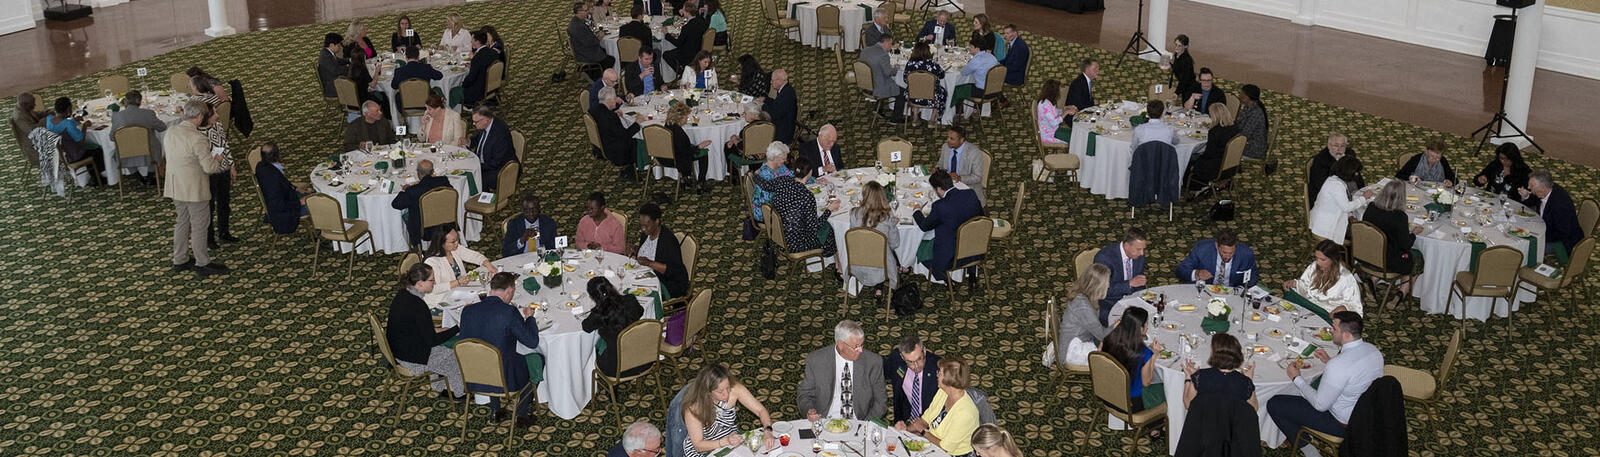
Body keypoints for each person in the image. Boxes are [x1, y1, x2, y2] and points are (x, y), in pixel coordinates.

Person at [1267, 311, 1383, 454]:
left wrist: (1296, 378)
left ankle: (1310, 451)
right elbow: (1355, 374)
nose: (1330, 331)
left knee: (1274, 403)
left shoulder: (1339, 365)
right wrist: (1330, 361)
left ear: (1346, 334)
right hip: (1367, 415)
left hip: (1342, 424)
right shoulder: (1374, 351)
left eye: (1334, 329)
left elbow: (1319, 405)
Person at [457, 272, 541, 428]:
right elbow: (532, 341)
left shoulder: (467, 311)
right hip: (505, 378)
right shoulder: (509, 312)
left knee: (488, 355)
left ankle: (495, 410)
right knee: (537, 359)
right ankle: (522, 415)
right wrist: (530, 318)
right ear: (509, 291)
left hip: (473, 373)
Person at [166, 100, 230, 277]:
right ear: (200, 116)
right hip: (194, 188)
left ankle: (179, 259)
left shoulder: (171, 131)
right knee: (199, 225)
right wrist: (216, 159)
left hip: (175, 185)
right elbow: (209, 168)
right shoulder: (197, 138)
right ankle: (202, 262)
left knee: (182, 222)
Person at [752, 157, 844, 276]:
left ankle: (836, 263)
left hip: (779, 234)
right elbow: (813, 228)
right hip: (796, 243)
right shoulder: (806, 196)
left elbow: (765, 185)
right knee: (830, 228)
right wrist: (829, 210)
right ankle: (839, 267)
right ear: (810, 173)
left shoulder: (782, 181)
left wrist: (755, 175)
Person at [386, 263, 465, 400]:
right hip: (411, 356)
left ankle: (439, 385)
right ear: (420, 283)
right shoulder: (418, 305)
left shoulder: (403, 294)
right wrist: (457, 328)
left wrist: (435, 329)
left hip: (397, 349)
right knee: (455, 353)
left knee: (444, 344)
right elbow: (432, 341)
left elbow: (412, 326)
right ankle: (458, 392)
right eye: (432, 280)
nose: (434, 283)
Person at [681, 364, 778, 457]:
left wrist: (768, 430)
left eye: (727, 388)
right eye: (720, 391)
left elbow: (760, 410)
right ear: (707, 391)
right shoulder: (694, 408)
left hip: (730, 438)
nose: (726, 394)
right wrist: (725, 442)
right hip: (704, 451)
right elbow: (698, 445)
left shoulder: (735, 389)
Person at [799, 320, 888, 421]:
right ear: (840, 344)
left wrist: (866, 425)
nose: (861, 350)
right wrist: (809, 411)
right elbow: (804, 394)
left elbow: (881, 401)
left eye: (862, 345)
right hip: (824, 420)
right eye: (856, 346)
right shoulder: (816, 360)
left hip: (859, 421)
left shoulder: (873, 362)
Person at [894, 356, 980, 457]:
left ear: (949, 379)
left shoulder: (965, 413)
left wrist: (923, 432)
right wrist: (904, 431)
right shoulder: (943, 393)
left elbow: (945, 447)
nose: (937, 375)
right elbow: (925, 420)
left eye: (940, 373)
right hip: (933, 443)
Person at [913, 169, 985, 283]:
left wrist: (917, 211)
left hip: (952, 257)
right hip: (975, 249)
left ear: (939, 189)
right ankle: (972, 273)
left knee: (920, 250)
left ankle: (945, 279)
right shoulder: (970, 193)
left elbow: (924, 226)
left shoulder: (939, 206)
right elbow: (981, 218)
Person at [1361, 180, 1422, 306]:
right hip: (1389, 260)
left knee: (1386, 251)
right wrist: (1414, 233)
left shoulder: (1371, 207)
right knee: (1417, 258)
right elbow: (1405, 245)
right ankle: (1401, 294)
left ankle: (1371, 280)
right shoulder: (1399, 217)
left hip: (1367, 253)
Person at [1100, 307, 1165, 412]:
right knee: (1165, 390)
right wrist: (1154, 355)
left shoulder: (1109, 339)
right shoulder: (1143, 352)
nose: (1147, 327)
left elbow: (1099, 355)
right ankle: (1155, 426)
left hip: (1107, 394)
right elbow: (1146, 382)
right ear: (1141, 328)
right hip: (1130, 404)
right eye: (1146, 324)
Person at [583, 277, 649, 377]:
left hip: (616, 367)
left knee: (591, 352)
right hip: (643, 358)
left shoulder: (599, 313)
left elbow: (586, 327)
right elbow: (640, 311)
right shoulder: (630, 299)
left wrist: (597, 308)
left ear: (593, 297)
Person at [423, 227, 500, 303]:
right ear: (442, 243)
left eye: (457, 239)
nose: (457, 243)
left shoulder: (454, 249)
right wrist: (457, 282)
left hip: (459, 292)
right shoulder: (432, 262)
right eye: (453, 242)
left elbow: (474, 256)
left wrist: (488, 265)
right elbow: (434, 288)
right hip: (441, 300)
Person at [1180, 333, 1257, 409]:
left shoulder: (1200, 377)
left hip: (1205, 421)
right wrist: (1249, 379)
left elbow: (1188, 404)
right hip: (1232, 421)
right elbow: (1253, 410)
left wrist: (1189, 378)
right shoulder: (1244, 382)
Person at [1284, 240, 1362, 315]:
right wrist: (1295, 283)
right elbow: (1306, 286)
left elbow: (1355, 307)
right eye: (1316, 258)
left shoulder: (1346, 278)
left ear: (1333, 259)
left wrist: (1344, 308)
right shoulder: (1314, 267)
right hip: (1309, 305)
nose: (1318, 262)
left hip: (1327, 313)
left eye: (1322, 259)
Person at [1519, 169, 1583, 258]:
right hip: (1547, 228)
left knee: (1528, 248)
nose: (1529, 187)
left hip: (1562, 242)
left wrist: (1536, 236)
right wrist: (1526, 196)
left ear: (1542, 187)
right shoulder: (1545, 191)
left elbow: (1562, 233)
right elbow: (1535, 200)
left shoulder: (1560, 205)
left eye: (1532, 185)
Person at [849, 181, 901, 292]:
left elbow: (855, 238)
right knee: (886, 250)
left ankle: (878, 288)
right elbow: (895, 244)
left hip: (857, 264)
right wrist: (892, 226)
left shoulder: (854, 214)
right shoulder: (887, 217)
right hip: (881, 268)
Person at [1309, 156, 1372, 244]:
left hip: (1325, 220)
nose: (1357, 174)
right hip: (1325, 228)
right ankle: (1352, 256)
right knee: (1361, 235)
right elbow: (1346, 207)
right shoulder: (1336, 186)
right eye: (1356, 172)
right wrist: (1364, 198)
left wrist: (1350, 216)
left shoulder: (1335, 180)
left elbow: (1342, 203)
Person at [198, 104, 237, 248]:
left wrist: (231, 166)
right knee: (209, 207)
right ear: (206, 117)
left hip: (224, 170)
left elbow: (225, 145)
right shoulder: (196, 135)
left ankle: (224, 231)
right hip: (208, 175)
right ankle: (209, 239)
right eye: (214, 113)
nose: (217, 115)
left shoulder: (217, 126)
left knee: (224, 202)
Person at [1057, 264, 1111, 367]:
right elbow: (1102, 335)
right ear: (1097, 286)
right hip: (1072, 351)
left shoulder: (1084, 296)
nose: (1108, 285)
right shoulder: (1083, 307)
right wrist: (1119, 323)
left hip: (1077, 340)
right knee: (1115, 357)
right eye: (1107, 283)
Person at [633, 203, 690, 299]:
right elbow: (648, 251)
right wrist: (635, 250)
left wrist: (649, 263)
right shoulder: (646, 233)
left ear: (657, 222)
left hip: (667, 283)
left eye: (646, 226)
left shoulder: (668, 241)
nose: (643, 229)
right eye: (641, 225)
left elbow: (674, 271)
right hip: (646, 276)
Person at [390, 159, 452, 248]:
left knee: (407, 215)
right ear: (433, 171)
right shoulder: (444, 181)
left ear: (418, 173)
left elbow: (396, 204)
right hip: (446, 222)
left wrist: (405, 190)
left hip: (425, 228)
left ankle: (417, 249)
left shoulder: (413, 191)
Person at [1092, 227, 1148, 325]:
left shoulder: (1139, 257)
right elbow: (1101, 291)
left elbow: (1139, 284)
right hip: (1109, 304)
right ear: (1126, 245)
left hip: (1132, 302)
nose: (1142, 253)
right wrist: (1129, 284)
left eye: (1143, 249)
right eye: (1139, 249)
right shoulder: (1104, 259)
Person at [110, 90, 168, 182]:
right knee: (156, 143)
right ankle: (151, 173)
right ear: (140, 101)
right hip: (149, 151)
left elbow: (112, 137)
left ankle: (136, 175)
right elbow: (162, 128)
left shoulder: (117, 116)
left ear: (125, 101)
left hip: (125, 152)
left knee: (114, 152)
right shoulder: (148, 114)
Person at [43, 97, 103, 185]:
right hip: (73, 155)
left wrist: (74, 120)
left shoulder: (49, 119)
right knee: (98, 150)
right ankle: (98, 178)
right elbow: (81, 141)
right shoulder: (68, 124)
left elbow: (60, 124)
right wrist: (85, 126)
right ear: (68, 109)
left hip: (60, 154)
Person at [254, 142, 310, 234]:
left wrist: (295, 188)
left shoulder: (261, 166)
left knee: (312, 194)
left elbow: (283, 184)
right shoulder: (273, 177)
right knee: (320, 204)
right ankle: (319, 233)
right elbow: (278, 204)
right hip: (284, 214)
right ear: (277, 155)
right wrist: (300, 202)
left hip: (286, 199)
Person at [1174, 228, 1259, 288]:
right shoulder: (1202, 250)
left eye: (1231, 253)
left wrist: (1240, 291)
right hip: (1205, 290)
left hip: (1232, 294)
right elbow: (1180, 270)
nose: (1228, 256)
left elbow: (1252, 278)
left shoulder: (1246, 254)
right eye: (1224, 252)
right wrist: (1196, 273)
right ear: (1216, 246)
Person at [592, 87, 646, 180]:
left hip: (600, 145)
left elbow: (608, 125)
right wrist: (637, 123)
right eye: (614, 98)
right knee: (639, 141)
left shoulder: (594, 110)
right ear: (608, 100)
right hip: (615, 151)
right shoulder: (611, 118)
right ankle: (632, 171)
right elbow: (625, 136)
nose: (616, 100)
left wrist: (613, 113)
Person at [884, 335, 940, 423]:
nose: (916, 366)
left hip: (932, 420)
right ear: (902, 357)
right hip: (906, 418)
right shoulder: (896, 360)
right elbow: (880, 374)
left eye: (919, 359)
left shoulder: (938, 368)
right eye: (910, 362)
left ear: (924, 351)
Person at [1184, 102, 1238, 192]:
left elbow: (1209, 154)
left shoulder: (1215, 132)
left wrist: (1199, 154)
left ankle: (1194, 187)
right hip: (1232, 165)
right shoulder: (1235, 128)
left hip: (1216, 167)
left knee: (1189, 160)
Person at [662, 103, 713, 190]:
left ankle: (684, 178)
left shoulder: (667, 125)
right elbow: (684, 152)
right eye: (686, 117)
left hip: (662, 156)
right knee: (704, 153)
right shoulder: (678, 132)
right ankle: (701, 182)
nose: (687, 119)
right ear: (680, 118)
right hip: (676, 159)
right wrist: (699, 146)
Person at [860, 34, 906, 123]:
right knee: (903, 92)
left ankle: (879, 109)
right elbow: (888, 73)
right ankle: (896, 118)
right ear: (885, 43)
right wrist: (896, 68)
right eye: (890, 44)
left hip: (865, 85)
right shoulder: (883, 55)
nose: (891, 46)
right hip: (877, 87)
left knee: (880, 77)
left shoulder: (865, 50)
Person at [469, 106, 515, 192]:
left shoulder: (500, 135)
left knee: (476, 177)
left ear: (485, 120)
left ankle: (484, 201)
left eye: (475, 122)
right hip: (487, 163)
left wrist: (477, 167)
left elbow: (496, 163)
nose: (473, 124)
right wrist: (468, 142)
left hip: (501, 169)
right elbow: (479, 138)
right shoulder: (485, 125)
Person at [936, 126, 986, 204]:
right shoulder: (945, 147)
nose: (947, 140)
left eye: (952, 139)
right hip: (947, 187)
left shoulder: (974, 153)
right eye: (948, 137)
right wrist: (936, 169)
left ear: (961, 140)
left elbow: (977, 177)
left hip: (967, 190)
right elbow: (940, 164)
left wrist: (960, 178)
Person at [1307, 132, 1359, 206]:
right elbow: (1321, 185)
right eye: (1336, 145)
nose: (1339, 149)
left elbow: (1357, 175)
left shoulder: (1350, 154)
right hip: (1327, 198)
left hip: (1350, 191)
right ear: (1329, 145)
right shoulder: (1320, 159)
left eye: (1342, 146)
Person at [569, 2, 614, 81]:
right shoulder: (579, 26)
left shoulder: (576, 21)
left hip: (581, 49)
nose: (587, 12)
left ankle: (593, 72)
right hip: (585, 53)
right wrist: (598, 38)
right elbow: (588, 43)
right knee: (610, 59)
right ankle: (596, 78)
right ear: (579, 12)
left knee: (604, 51)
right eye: (586, 11)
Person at [957, 35, 999, 117]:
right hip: (996, 90)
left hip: (983, 93)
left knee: (957, 89)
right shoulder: (992, 57)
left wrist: (966, 64)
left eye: (971, 47)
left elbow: (963, 73)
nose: (969, 48)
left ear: (977, 49)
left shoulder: (976, 61)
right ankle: (975, 109)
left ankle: (960, 113)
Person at [905, 42, 948, 121]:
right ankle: (932, 119)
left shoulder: (909, 64)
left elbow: (905, 79)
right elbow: (942, 75)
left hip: (912, 97)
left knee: (915, 89)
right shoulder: (933, 64)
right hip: (932, 98)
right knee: (943, 92)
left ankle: (915, 117)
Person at [749, 142, 792, 222]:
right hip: (764, 211)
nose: (785, 160)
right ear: (776, 158)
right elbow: (766, 201)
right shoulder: (764, 174)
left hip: (777, 204)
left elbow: (791, 176)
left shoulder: (780, 167)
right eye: (783, 158)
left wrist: (812, 179)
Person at [665, 2, 709, 72]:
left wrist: (666, 34)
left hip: (688, 55)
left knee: (666, 55)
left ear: (687, 13)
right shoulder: (701, 21)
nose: (682, 10)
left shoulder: (686, 27)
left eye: (683, 9)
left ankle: (682, 72)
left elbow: (678, 44)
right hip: (699, 50)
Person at [462, 30, 501, 108]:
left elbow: (471, 79)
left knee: (453, 90)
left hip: (479, 90)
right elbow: (486, 66)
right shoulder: (494, 53)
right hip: (492, 86)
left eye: (472, 40)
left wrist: (462, 84)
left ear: (477, 42)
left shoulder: (477, 58)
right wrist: (473, 66)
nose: (471, 42)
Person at [344, 39, 382, 116]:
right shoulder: (362, 70)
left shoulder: (350, 68)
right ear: (364, 57)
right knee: (383, 97)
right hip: (363, 100)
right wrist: (377, 71)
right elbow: (373, 85)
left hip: (351, 100)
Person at [10, 92, 48, 169]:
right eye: (32, 104)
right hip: (33, 147)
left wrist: (46, 113)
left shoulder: (23, 108)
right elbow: (34, 131)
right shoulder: (19, 117)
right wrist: (45, 120)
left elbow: (35, 114)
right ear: (25, 105)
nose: (35, 106)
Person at [761, 69, 797, 143]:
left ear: (779, 80)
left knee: (758, 129)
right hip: (785, 124)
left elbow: (775, 115)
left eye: (772, 80)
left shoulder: (787, 93)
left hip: (783, 132)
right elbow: (777, 104)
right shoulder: (785, 89)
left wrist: (763, 105)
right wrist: (766, 99)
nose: (771, 83)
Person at [1235, 84, 1269, 159]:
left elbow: (1245, 135)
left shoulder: (1256, 113)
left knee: (1224, 148)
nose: (1239, 96)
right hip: (1248, 142)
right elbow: (1239, 123)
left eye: (1241, 94)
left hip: (1254, 149)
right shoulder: (1248, 107)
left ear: (1247, 97)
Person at [1035, 79, 1071, 144]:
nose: (1060, 93)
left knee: (1074, 134)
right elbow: (1054, 123)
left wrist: (1064, 109)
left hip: (1053, 131)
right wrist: (1065, 113)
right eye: (1059, 91)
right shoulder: (1044, 105)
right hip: (1048, 135)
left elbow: (1054, 113)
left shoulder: (1047, 102)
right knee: (1075, 139)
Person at [317, 33, 350, 99]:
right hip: (332, 87)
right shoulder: (325, 56)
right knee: (356, 84)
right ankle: (352, 105)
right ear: (331, 45)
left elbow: (338, 61)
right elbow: (336, 71)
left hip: (333, 81)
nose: (340, 47)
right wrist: (349, 68)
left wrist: (349, 60)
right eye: (338, 45)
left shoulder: (327, 52)